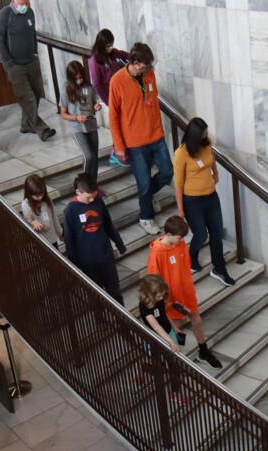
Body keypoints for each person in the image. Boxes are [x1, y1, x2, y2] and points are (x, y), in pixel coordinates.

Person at [108, 42, 172, 235]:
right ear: (135, 63)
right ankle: (146, 216)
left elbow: (152, 103)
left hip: (156, 136)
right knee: (143, 182)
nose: (147, 70)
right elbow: (113, 117)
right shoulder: (117, 81)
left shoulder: (148, 74)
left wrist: (159, 128)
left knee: (168, 172)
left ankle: (149, 195)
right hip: (134, 143)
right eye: (144, 66)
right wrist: (119, 146)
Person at [146, 216, 223, 369]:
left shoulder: (180, 244)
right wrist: (165, 300)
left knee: (197, 321)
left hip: (186, 291)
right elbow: (154, 280)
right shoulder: (157, 253)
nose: (182, 240)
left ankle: (203, 351)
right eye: (179, 237)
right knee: (174, 328)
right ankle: (171, 358)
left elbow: (186, 264)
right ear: (168, 235)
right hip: (171, 297)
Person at [173, 117, 235, 287]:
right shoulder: (181, 153)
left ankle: (219, 269)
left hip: (211, 197)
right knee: (201, 235)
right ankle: (192, 255)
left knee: (216, 233)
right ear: (194, 136)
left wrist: (215, 173)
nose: (206, 136)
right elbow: (178, 183)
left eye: (206, 133)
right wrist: (180, 209)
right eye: (203, 134)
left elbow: (211, 158)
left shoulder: (206, 143)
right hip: (192, 201)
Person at [0, 0, 55, 142]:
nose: (25, 6)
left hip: (31, 61)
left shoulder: (30, 12)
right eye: (22, 3)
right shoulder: (4, 15)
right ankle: (42, 129)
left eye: (27, 3)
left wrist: (35, 52)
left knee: (35, 93)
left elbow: (32, 33)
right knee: (26, 98)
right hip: (15, 65)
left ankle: (26, 125)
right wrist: (9, 63)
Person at [63, 172, 126, 303]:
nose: (91, 200)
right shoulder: (70, 210)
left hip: (105, 257)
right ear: (78, 192)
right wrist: (74, 264)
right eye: (88, 197)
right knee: (96, 297)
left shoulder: (99, 202)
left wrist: (119, 243)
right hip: (87, 262)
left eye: (94, 196)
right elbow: (69, 240)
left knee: (115, 293)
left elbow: (108, 225)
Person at [138, 274, 187, 404]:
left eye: (162, 295)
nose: (161, 298)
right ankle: (143, 367)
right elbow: (155, 326)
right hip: (155, 340)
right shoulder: (144, 307)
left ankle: (175, 393)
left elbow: (164, 315)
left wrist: (174, 328)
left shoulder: (159, 299)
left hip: (168, 333)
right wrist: (170, 341)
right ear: (148, 293)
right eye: (158, 296)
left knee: (173, 365)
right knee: (160, 368)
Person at [88, 28, 129, 167]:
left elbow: (122, 54)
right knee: (118, 124)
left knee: (125, 123)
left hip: (121, 93)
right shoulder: (94, 61)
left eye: (111, 44)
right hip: (111, 97)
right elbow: (97, 84)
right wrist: (107, 101)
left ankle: (121, 150)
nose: (110, 48)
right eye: (108, 45)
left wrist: (133, 59)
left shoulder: (111, 54)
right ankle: (116, 152)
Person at [60, 61, 102, 179]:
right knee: (88, 156)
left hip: (91, 124)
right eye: (76, 78)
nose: (79, 80)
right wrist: (76, 118)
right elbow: (63, 114)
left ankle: (93, 184)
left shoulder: (89, 88)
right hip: (77, 127)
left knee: (94, 156)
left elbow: (94, 103)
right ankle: (83, 183)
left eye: (81, 77)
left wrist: (96, 106)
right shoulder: (66, 91)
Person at [21, 173, 62, 249]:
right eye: (37, 196)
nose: (40, 197)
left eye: (42, 194)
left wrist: (60, 233)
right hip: (40, 240)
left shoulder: (47, 199)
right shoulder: (26, 204)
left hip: (52, 238)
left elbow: (54, 217)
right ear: (29, 193)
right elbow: (28, 219)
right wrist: (34, 222)